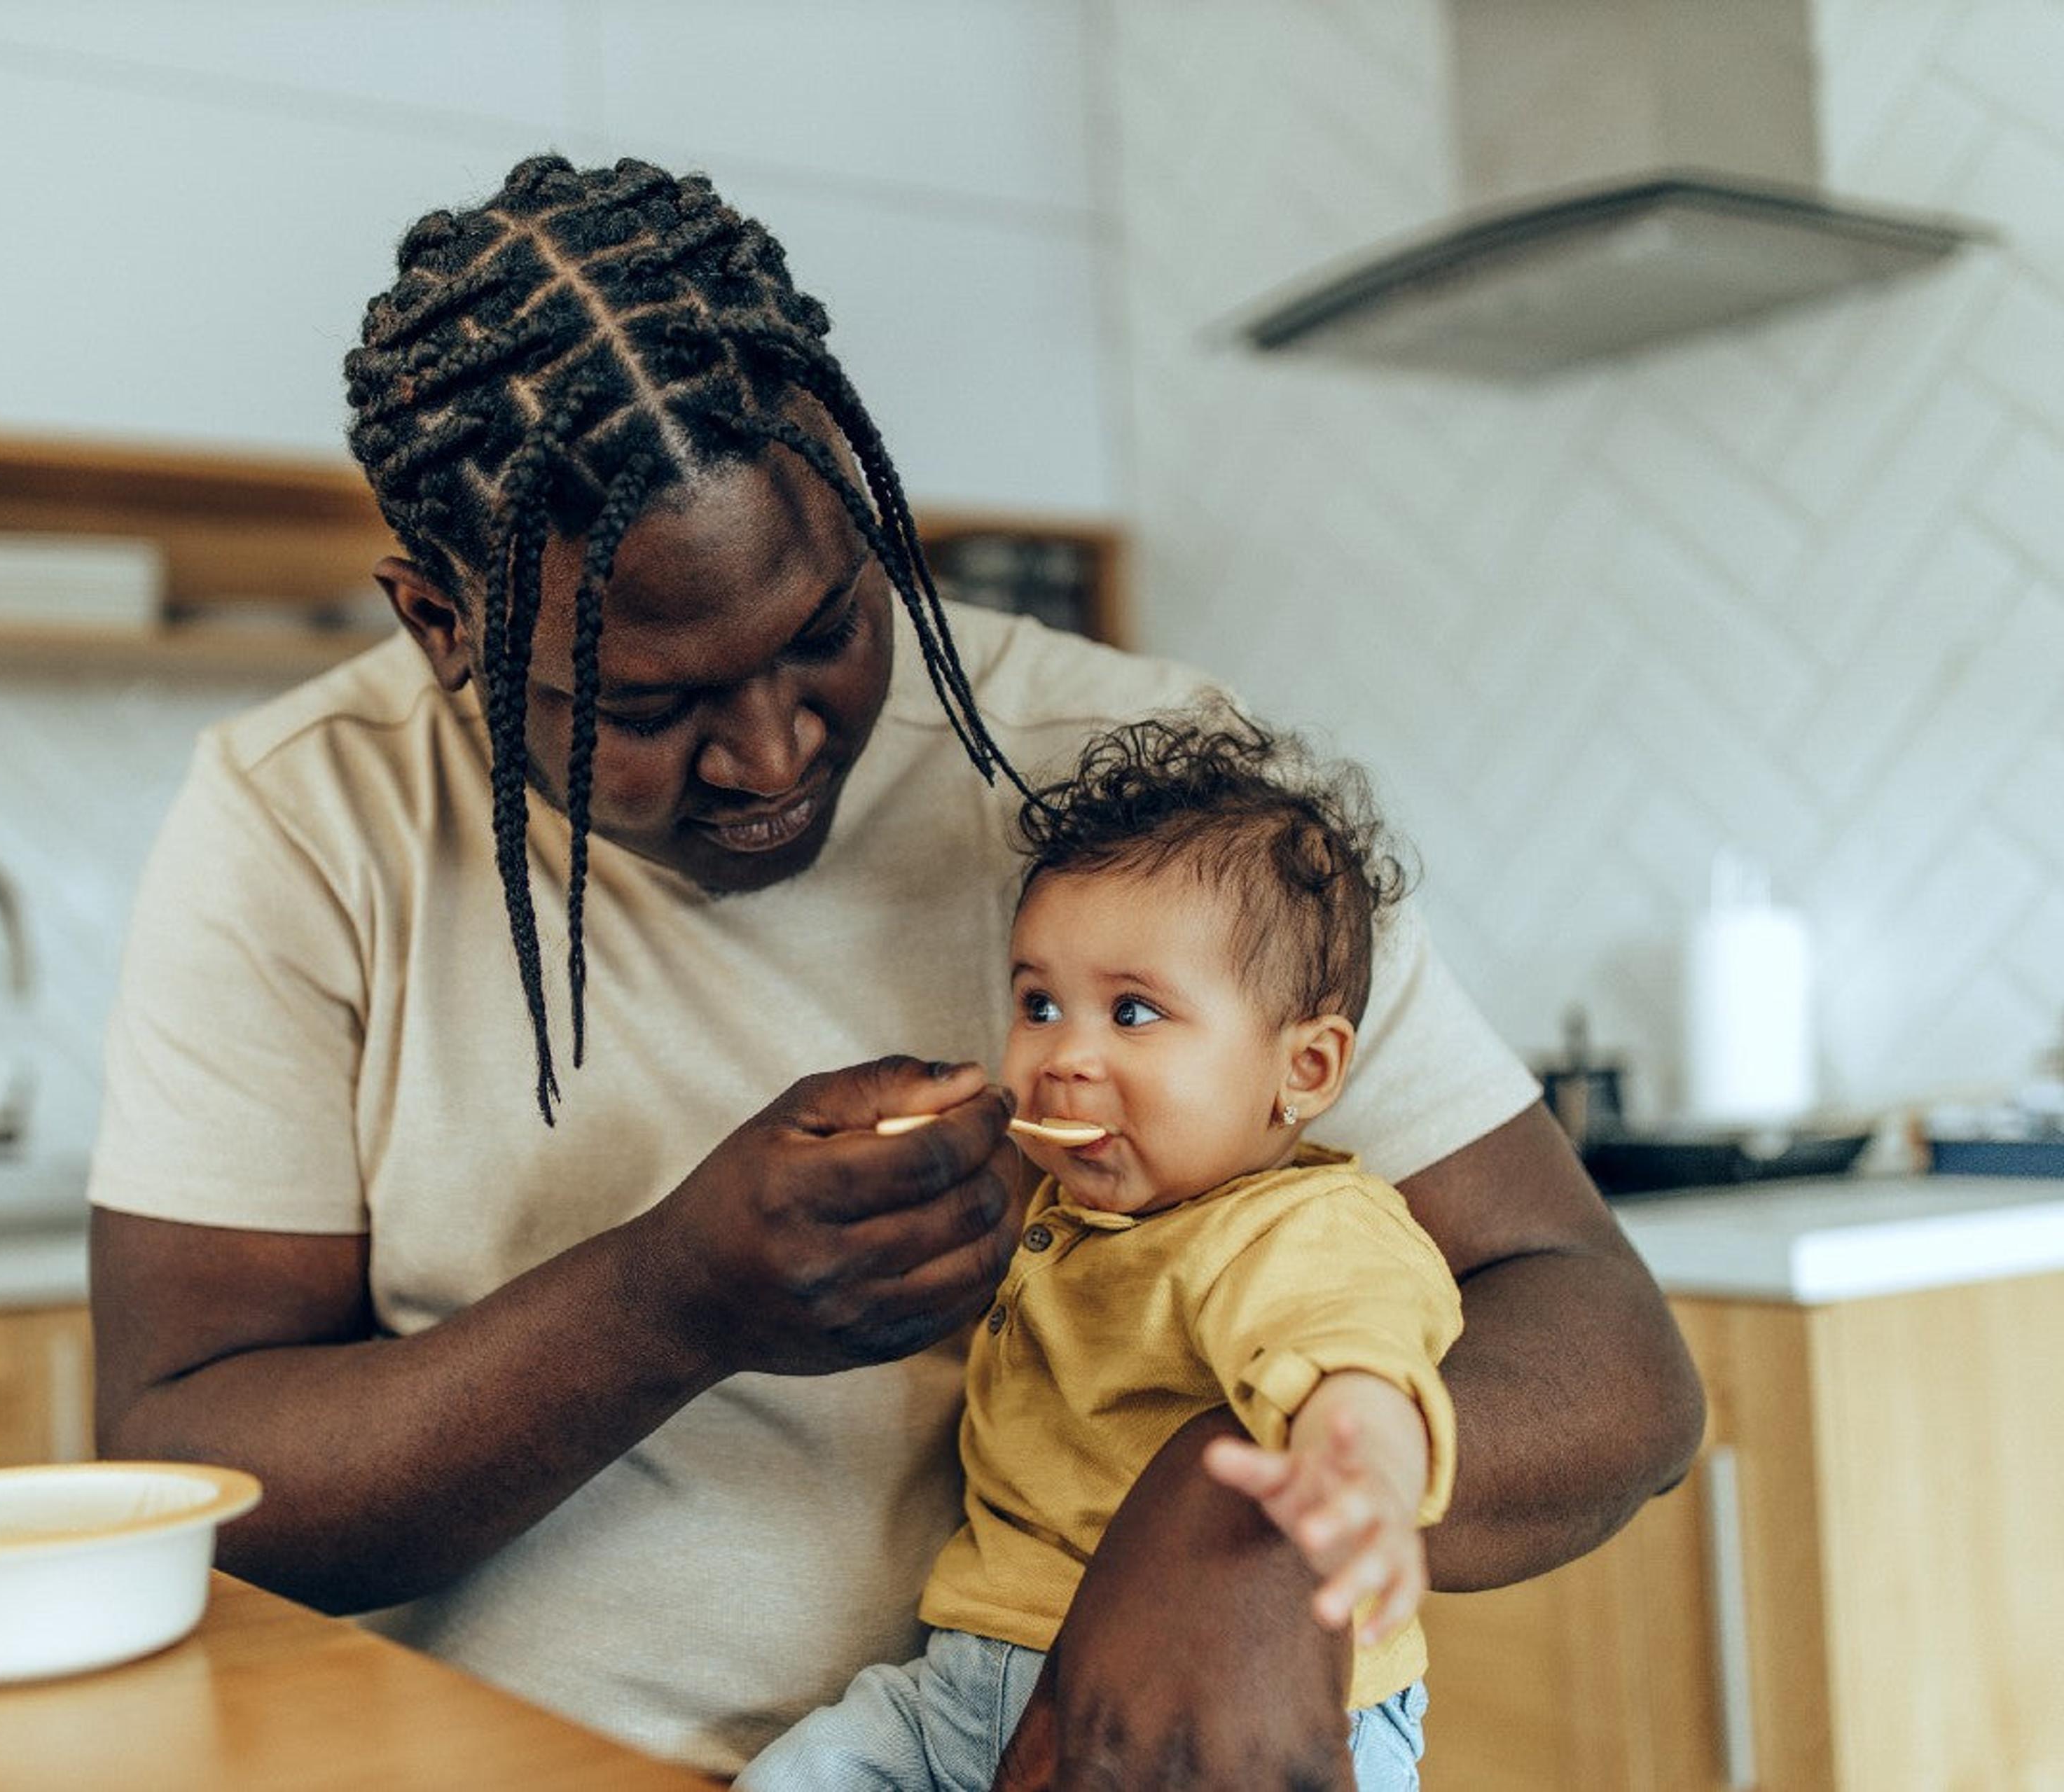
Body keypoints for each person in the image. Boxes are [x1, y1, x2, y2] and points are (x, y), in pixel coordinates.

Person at [87, 152, 1703, 1786]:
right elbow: (187, 1464)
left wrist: (1246, 1505)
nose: (777, 750)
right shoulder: (304, 820)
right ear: (444, 624)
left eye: (828, 626)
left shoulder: (1170, 810)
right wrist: (671, 1299)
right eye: (650, 707)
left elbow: (1610, 1352)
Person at [740, 707, 1461, 1792]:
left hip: (1228, 1723)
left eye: (1133, 1012)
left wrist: (1360, 1474)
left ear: (1304, 1072)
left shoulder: (1299, 1232)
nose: (1064, 1057)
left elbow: (1353, 1362)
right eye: (1039, 1003)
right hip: (963, 1687)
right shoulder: (1060, 1209)